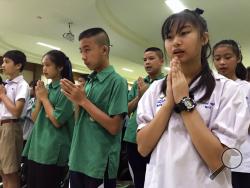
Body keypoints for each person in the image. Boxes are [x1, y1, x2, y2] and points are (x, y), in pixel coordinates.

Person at [136, 9, 250, 188]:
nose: (176, 42)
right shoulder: (155, 89)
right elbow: (143, 148)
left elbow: (218, 161)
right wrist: (168, 104)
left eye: (184, 33)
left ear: (204, 38)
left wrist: (184, 101)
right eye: (169, 37)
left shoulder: (229, 90)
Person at [60, 27, 128, 188]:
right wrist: (76, 101)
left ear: (104, 49)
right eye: (81, 51)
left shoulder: (117, 82)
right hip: (78, 158)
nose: (83, 56)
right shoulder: (89, 81)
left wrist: (83, 101)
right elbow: (79, 121)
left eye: (87, 50)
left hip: (98, 163)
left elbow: (114, 127)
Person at [22, 50, 75, 188]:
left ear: (60, 67)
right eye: (43, 65)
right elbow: (34, 117)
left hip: (51, 150)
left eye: (48, 65)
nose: (44, 68)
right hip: (36, 148)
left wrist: (44, 98)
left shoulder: (67, 89)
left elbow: (57, 121)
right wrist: (40, 99)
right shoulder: (46, 88)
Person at [123, 47, 164, 188]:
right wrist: (140, 96)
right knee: (138, 179)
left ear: (161, 61)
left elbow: (164, 111)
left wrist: (147, 94)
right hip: (132, 137)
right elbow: (126, 110)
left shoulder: (167, 83)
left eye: (151, 58)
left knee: (155, 179)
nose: (147, 62)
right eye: (145, 59)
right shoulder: (138, 83)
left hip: (156, 138)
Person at [213, 39, 250, 188]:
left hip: (242, 156)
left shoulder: (246, 88)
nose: (222, 62)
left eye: (227, 57)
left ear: (238, 58)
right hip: (212, 154)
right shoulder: (210, 88)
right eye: (217, 58)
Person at [0, 50, 30, 188]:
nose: (3, 65)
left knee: (11, 172)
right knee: (3, 172)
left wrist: (2, 96)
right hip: (2, 126)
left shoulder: (22, 85)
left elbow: (17, 111)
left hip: (11, 127)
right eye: (3, 61)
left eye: (7, 62)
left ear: (18, 65)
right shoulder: (5, 84)